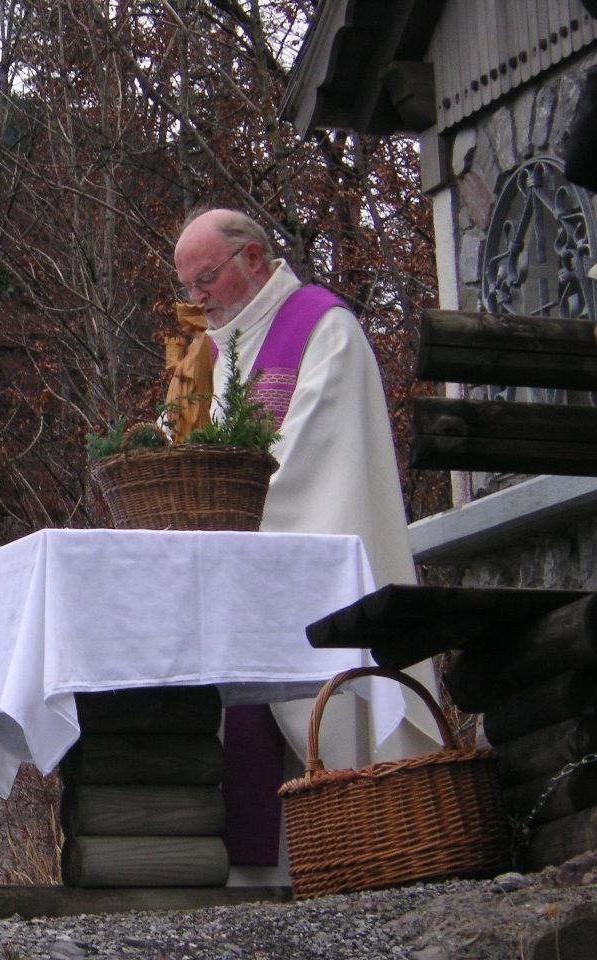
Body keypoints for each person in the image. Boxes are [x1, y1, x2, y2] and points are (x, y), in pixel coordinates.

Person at [172, 208, 442, 876]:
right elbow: (178, 447)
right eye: (188, 286)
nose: (196, 299)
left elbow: (317, 466)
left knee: (320, 716)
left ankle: (360, 856)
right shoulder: (205, 353)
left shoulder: (324, 329)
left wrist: (224, 520)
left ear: (254, 260)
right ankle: (255, 875)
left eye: (206, 279)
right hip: (231, 573)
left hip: (301, 574)